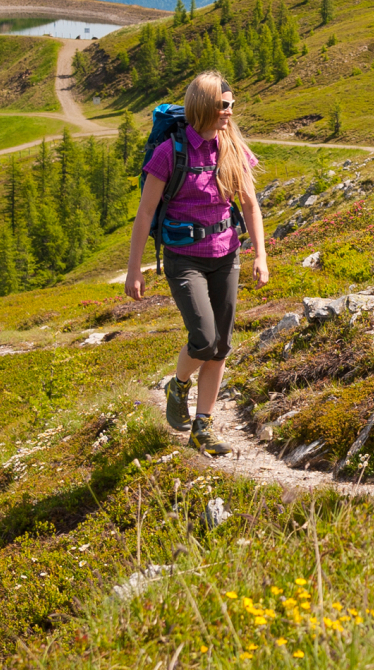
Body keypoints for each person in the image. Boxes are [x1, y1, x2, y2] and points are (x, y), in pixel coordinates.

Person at [124, 71, 269, 457]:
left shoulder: (232, 149)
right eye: (224, 105)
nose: (230, 111)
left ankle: (202, 427)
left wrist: (260, 255)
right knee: (203, 339)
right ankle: (178, 385)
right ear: (204, 106)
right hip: (184, 259)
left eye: (232, 105)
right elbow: (145, 213)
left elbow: (250, 205)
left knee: (220, 347)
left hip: (226, 255)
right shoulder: (168, 153)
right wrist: (134, 269)